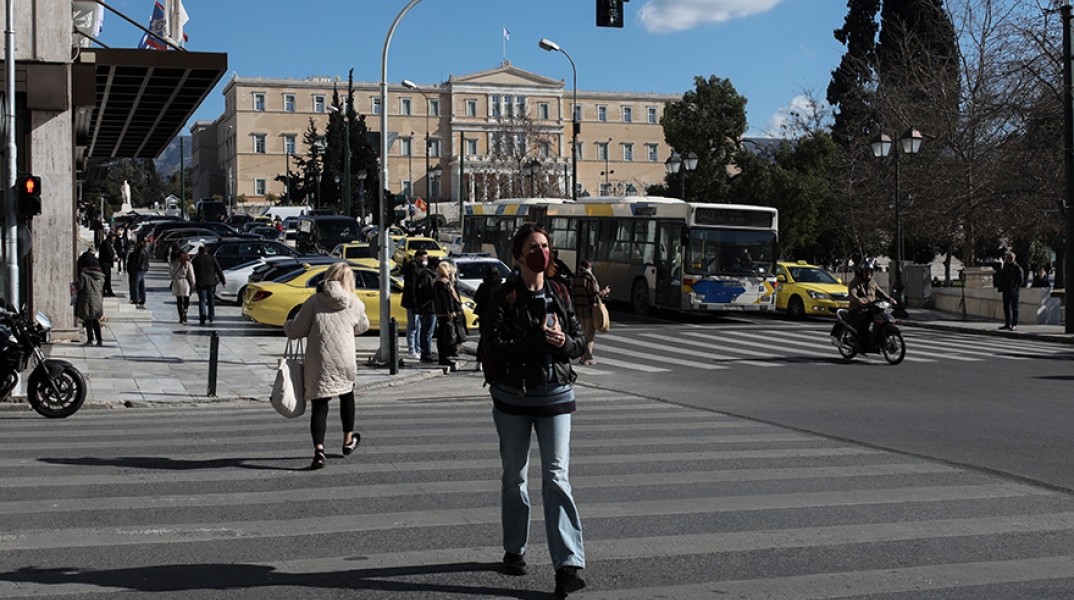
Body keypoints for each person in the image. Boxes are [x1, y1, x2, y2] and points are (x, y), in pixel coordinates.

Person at [483, 223, 587, 597]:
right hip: (512, 397)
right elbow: (492, 346)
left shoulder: (559, 291)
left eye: (544, 246)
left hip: (556, 394)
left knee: (557, 477)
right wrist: (534, 341)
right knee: (515, 477)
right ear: (518, 255)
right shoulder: (504, 295)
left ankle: (568, 564)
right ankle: (515, 548)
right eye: (533, 246)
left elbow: (579, 342)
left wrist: (562, 343)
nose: (540, 252)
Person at [283, 262, 370, 470]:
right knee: (347, 394)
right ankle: (348, 440)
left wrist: (288, 325)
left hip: (319, 358)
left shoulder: (313, 301)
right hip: (345, 358)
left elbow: (297, 331)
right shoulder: (354, 302)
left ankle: (319, 451)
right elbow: (363, 326)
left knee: (320, 405)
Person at [570, 259, 610, 365]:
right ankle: (587, 357)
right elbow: (595, 296)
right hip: (589, 311)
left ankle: (584, 356)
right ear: (589, 267)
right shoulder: (589, 278)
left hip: (579, 310)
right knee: (590, 335)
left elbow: (572, 296)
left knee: (583, 333)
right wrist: (605, 292)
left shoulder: (576, 278)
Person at [846, 259, 894, 346]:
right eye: (866, 271)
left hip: (871, 308)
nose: (868, 274)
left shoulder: (872, 282)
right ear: (861, 272)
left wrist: (890, 299)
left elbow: (880, 292)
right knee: (864, 319)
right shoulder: (855, 282)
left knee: (881, 317)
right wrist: (859, 300)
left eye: (870, 272)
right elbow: (852, 294)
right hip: (858, 309)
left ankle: (876, 338)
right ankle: (860, 340)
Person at [433, 261, 463, 367]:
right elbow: (448, 299)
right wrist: (450, 312)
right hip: (445, 313)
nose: (450, 271)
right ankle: (443, 357)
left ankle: (443, 356)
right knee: (446, 335)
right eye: (449, 269)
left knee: (443, 334)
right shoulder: (444, 283)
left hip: (441, 313)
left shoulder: (438, 282)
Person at [401, 250, 429, 359]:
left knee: (418, 326)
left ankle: (418, 348)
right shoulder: (412, 268)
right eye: (424, 258)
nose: (425, 260)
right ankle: (412, 350)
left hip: (418, 302)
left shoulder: (420, 268)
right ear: (418, 258)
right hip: (412, 302)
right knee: (412, 326)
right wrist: (414, 302)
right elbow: (411, 287)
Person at [75, 253, 106, 346]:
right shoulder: (100, 276)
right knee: (95, 319)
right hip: (97, 299)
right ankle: (99, 339)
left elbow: (79, 287)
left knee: (88, 319)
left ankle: (90, 340)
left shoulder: (83, 275)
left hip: (87, 300)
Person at [192, 246, 227, 325]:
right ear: (206, 251)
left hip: (200, 282)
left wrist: (192, 284)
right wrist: (223, 281)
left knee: (202, 301)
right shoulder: (212, 258)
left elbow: (193, 272)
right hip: (211, 282)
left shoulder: (195, 260)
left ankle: (202, 317)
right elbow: (219, 270)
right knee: (211, 300)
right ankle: (211, 316)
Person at [416, 256, 438, 363]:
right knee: (427, 332)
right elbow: (427, 292)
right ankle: (426, 353)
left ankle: (425, 352)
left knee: (426, 331)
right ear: (433, 267)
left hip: (427, 307)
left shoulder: (426, 275)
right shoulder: (427, 276)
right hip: (428, 307)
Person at [998, 252, 1024, 331]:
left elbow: (1021, 280)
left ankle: (1014, 324)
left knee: (1014, 308)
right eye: (1008, 258)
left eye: (1011, 258)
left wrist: (1015, 288)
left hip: (1014, 291)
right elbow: (1002, 277)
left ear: (1014, 258)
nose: (1009, 259)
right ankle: (1007, 323)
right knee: (1006, 307)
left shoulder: (1017, 268)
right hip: (1006, 290)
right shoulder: (1005, 267)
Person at [169, 252, 196, 324]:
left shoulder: (174, 264)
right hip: (185, 282)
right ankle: (185, 310)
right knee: (186, 298)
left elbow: (171, 274)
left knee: (179, 300)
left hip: (176, 282)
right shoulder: (188, 264)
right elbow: (191, 275)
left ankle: (180, 317)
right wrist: (193, 285)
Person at [126, 239, 150, 307]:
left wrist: (133, 269)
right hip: (143, 270)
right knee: (142, 285)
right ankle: (142, 299)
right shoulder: (145, 251)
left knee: (135, 285)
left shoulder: (139, 251)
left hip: (139, 270)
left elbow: (137, 261)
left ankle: (136, 299)